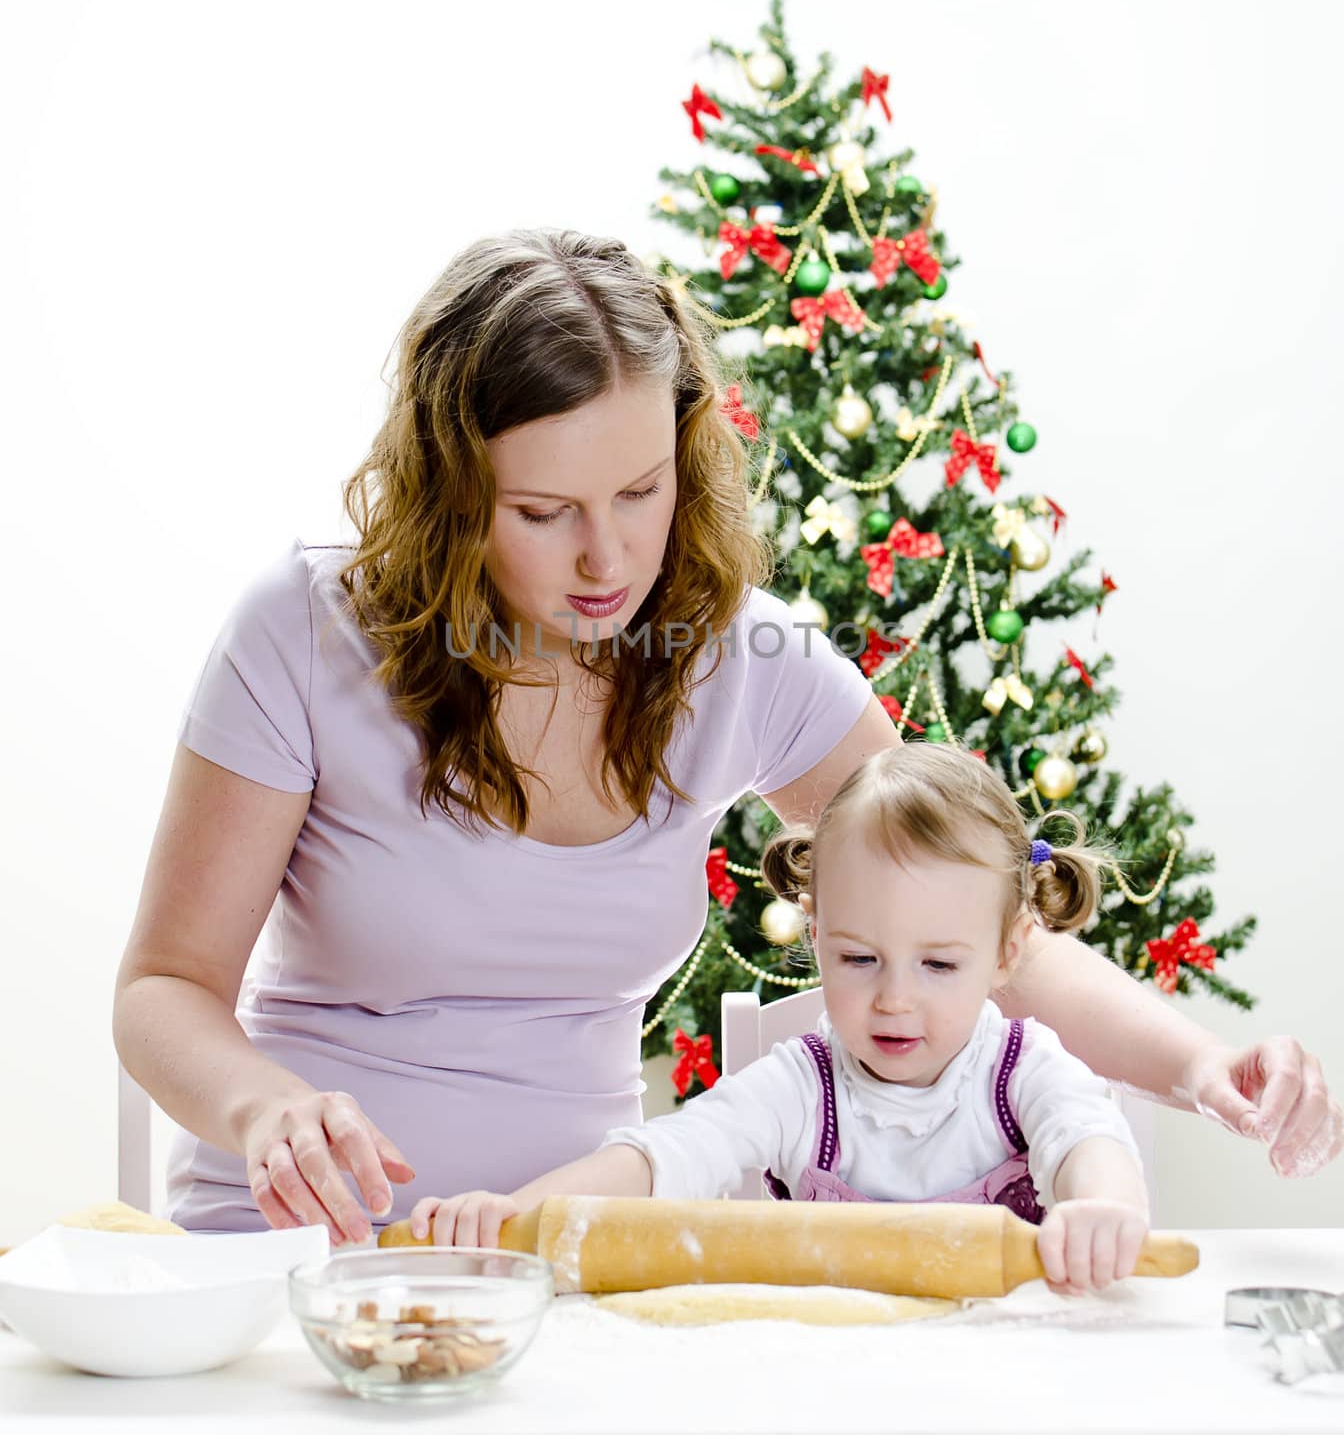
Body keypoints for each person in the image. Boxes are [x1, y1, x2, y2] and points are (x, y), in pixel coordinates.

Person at [113, 228, 1341, 1249]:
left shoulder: (730, 655)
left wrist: (1201, 1068)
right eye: (543, 512)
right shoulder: (306, 635)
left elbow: (978, 919)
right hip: (292, 1255)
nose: (608, 560)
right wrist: (265, 1109)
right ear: (450, 492)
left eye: (640, 493)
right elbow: (164, 989)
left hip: (576, 1257)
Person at [402, 743, 1152, 1293]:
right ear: (816, 931)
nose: (895, 999)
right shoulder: (803, 1087)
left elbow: (1086, 1137)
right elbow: (669, 1155)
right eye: (859, 960)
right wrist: (516, 1213)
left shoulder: (1022, 1069)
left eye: (939, 966)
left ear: (1008, 952)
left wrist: (1104, 1211)